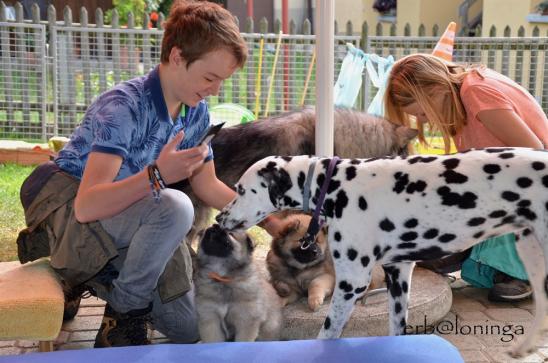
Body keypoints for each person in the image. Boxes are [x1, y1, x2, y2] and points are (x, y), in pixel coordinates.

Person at [17, 0, 283, 348]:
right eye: (209, 77)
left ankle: (94, 277)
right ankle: (122, 313)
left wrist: (275, 223)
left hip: (132, 216)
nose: (216, 89)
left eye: (222, 80)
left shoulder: (195, 113)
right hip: (70, 207)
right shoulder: (123, 108)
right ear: (176, 57)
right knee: (174, 206)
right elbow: (87, 205)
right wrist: (157, 175)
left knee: (190, 328)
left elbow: (208, 185)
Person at [384, 53, 548, 302]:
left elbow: (536, 158)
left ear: (437, 89)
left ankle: (525, 271)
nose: (422, 122)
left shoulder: (477, 92)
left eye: (423, 114)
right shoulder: (461, 99)